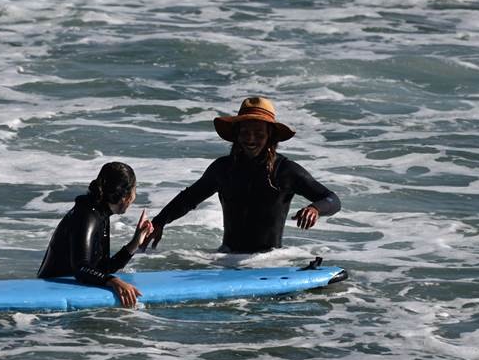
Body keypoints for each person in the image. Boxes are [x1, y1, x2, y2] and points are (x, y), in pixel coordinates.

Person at [147, 96, 340, 253]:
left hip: (268, 261)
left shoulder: (285, 170)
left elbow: (332, 199)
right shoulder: (223, 168)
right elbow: (189, 198)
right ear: (237, 135)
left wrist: (315, 209)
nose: (251, 139)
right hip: (226, 257)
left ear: (270, 136)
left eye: (259, 134)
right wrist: (159, 222)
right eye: (245, 133)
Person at [37, 161, 154, 307]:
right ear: (126, 197)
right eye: (135, 189)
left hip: (63, 292)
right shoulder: (87, 215)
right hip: (49, 299)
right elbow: (81, 268)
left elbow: (102, 269)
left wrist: (135, 242)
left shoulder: (99, 213)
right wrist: (114, 281)